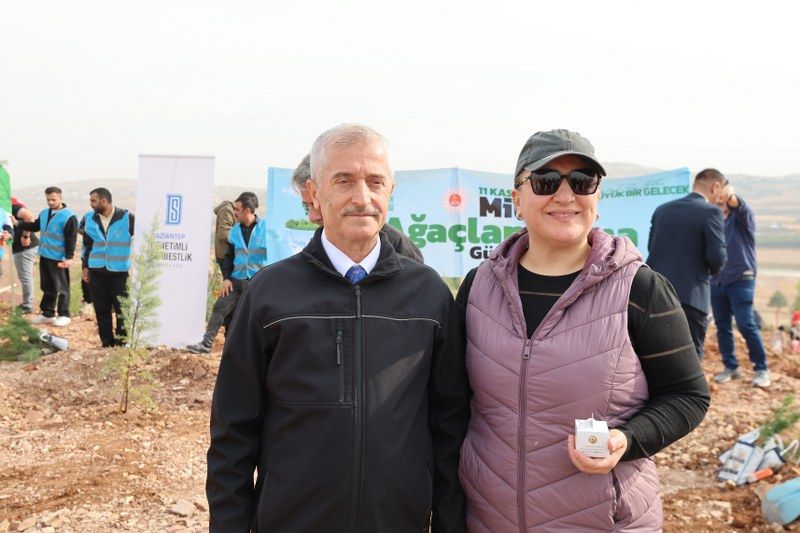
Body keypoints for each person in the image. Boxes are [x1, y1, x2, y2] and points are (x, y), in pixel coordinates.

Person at [206, 124, 470, 532]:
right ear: (314, 193)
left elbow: (450, 427)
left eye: (375, 182)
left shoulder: (429, 296)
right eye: (344, 180)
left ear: (390, 191)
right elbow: (232, 432)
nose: (362, 197)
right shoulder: (269, 295)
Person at [457, 129, 710, 530]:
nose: (565, 195)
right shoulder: (478, 288)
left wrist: (626, 440)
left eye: (581, 181)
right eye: (545, 181)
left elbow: (687, 396)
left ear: (597, 197)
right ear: (516, 199)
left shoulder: (640, 289)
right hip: (490, 519)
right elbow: (453, 403)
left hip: (605, 521)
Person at [647, 168, 727, 359]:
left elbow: (652, 247)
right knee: (691, 359)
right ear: (715, 186)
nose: (721, 197)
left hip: (654, 295)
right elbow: (717, 258)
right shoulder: (711, 212)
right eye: (722, 191)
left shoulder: (662, 210)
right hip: (691, 298)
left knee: (656, 358)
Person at [292, 153, 425, 263]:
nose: (312, 217)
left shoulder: (402, 251)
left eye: (316, 203)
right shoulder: (295, 268)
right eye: (308, 205)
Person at [187, 192, 266, 354]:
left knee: (257, 318)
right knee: (219, 308)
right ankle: (206, 344)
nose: (234, 212)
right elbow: (229, 256)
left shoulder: (266, 228)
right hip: (236, 281)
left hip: (258, 283)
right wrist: (227, 278)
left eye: (237, 209)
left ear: (248, 210)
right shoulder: (235, 230)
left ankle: (257, 351)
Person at [710, 183, 771, 387]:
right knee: (722, 326)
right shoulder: (712, 222)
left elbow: (739, 205)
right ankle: (731, 367)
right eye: (717, 200)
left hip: (741, 280)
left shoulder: (743, 219)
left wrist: (729, 195)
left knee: (746, 324)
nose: (719, 203)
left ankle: (761, 369)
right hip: (716, 281)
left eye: (723, 200)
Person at [15, 187, 78, 327]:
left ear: (61, 198)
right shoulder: (44, 212)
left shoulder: (69, 216)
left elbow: (71, 239)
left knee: (62, 287)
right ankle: (48, 314)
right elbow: (35, 226)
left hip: (59, 258)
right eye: (48, 199)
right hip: (45, 255)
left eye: (53, 199)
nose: (50, 202)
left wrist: (69, 257)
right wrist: (18, 223)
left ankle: (64, 315)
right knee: (47, 286)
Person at [81, 188, 135, 347]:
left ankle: (121, 343)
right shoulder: (89, 218)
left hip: (119, 272)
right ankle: (107, 344)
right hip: (96, 271)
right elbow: (87, 244)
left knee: (122, 310)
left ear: (103, 200)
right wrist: (85, 267)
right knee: (101, 310)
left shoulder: (128, 218)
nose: (91, 204)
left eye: (93, 201)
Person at [212, 199, 236, 334]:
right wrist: (240, 237)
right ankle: (229, 330)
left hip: (225, 255)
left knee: (230, 296)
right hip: (227, 256)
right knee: (230, 296)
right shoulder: (227, 209)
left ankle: (229, 330)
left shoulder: (227, 209)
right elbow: (223, 233)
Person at [10, 198, 38, 314]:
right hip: (22, 246)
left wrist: (26, 236)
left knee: (25, 276)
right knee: (25, 276)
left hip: (24, 246)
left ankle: (27, 305)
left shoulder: (13, 205)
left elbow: (29, 217)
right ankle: (27, 303)